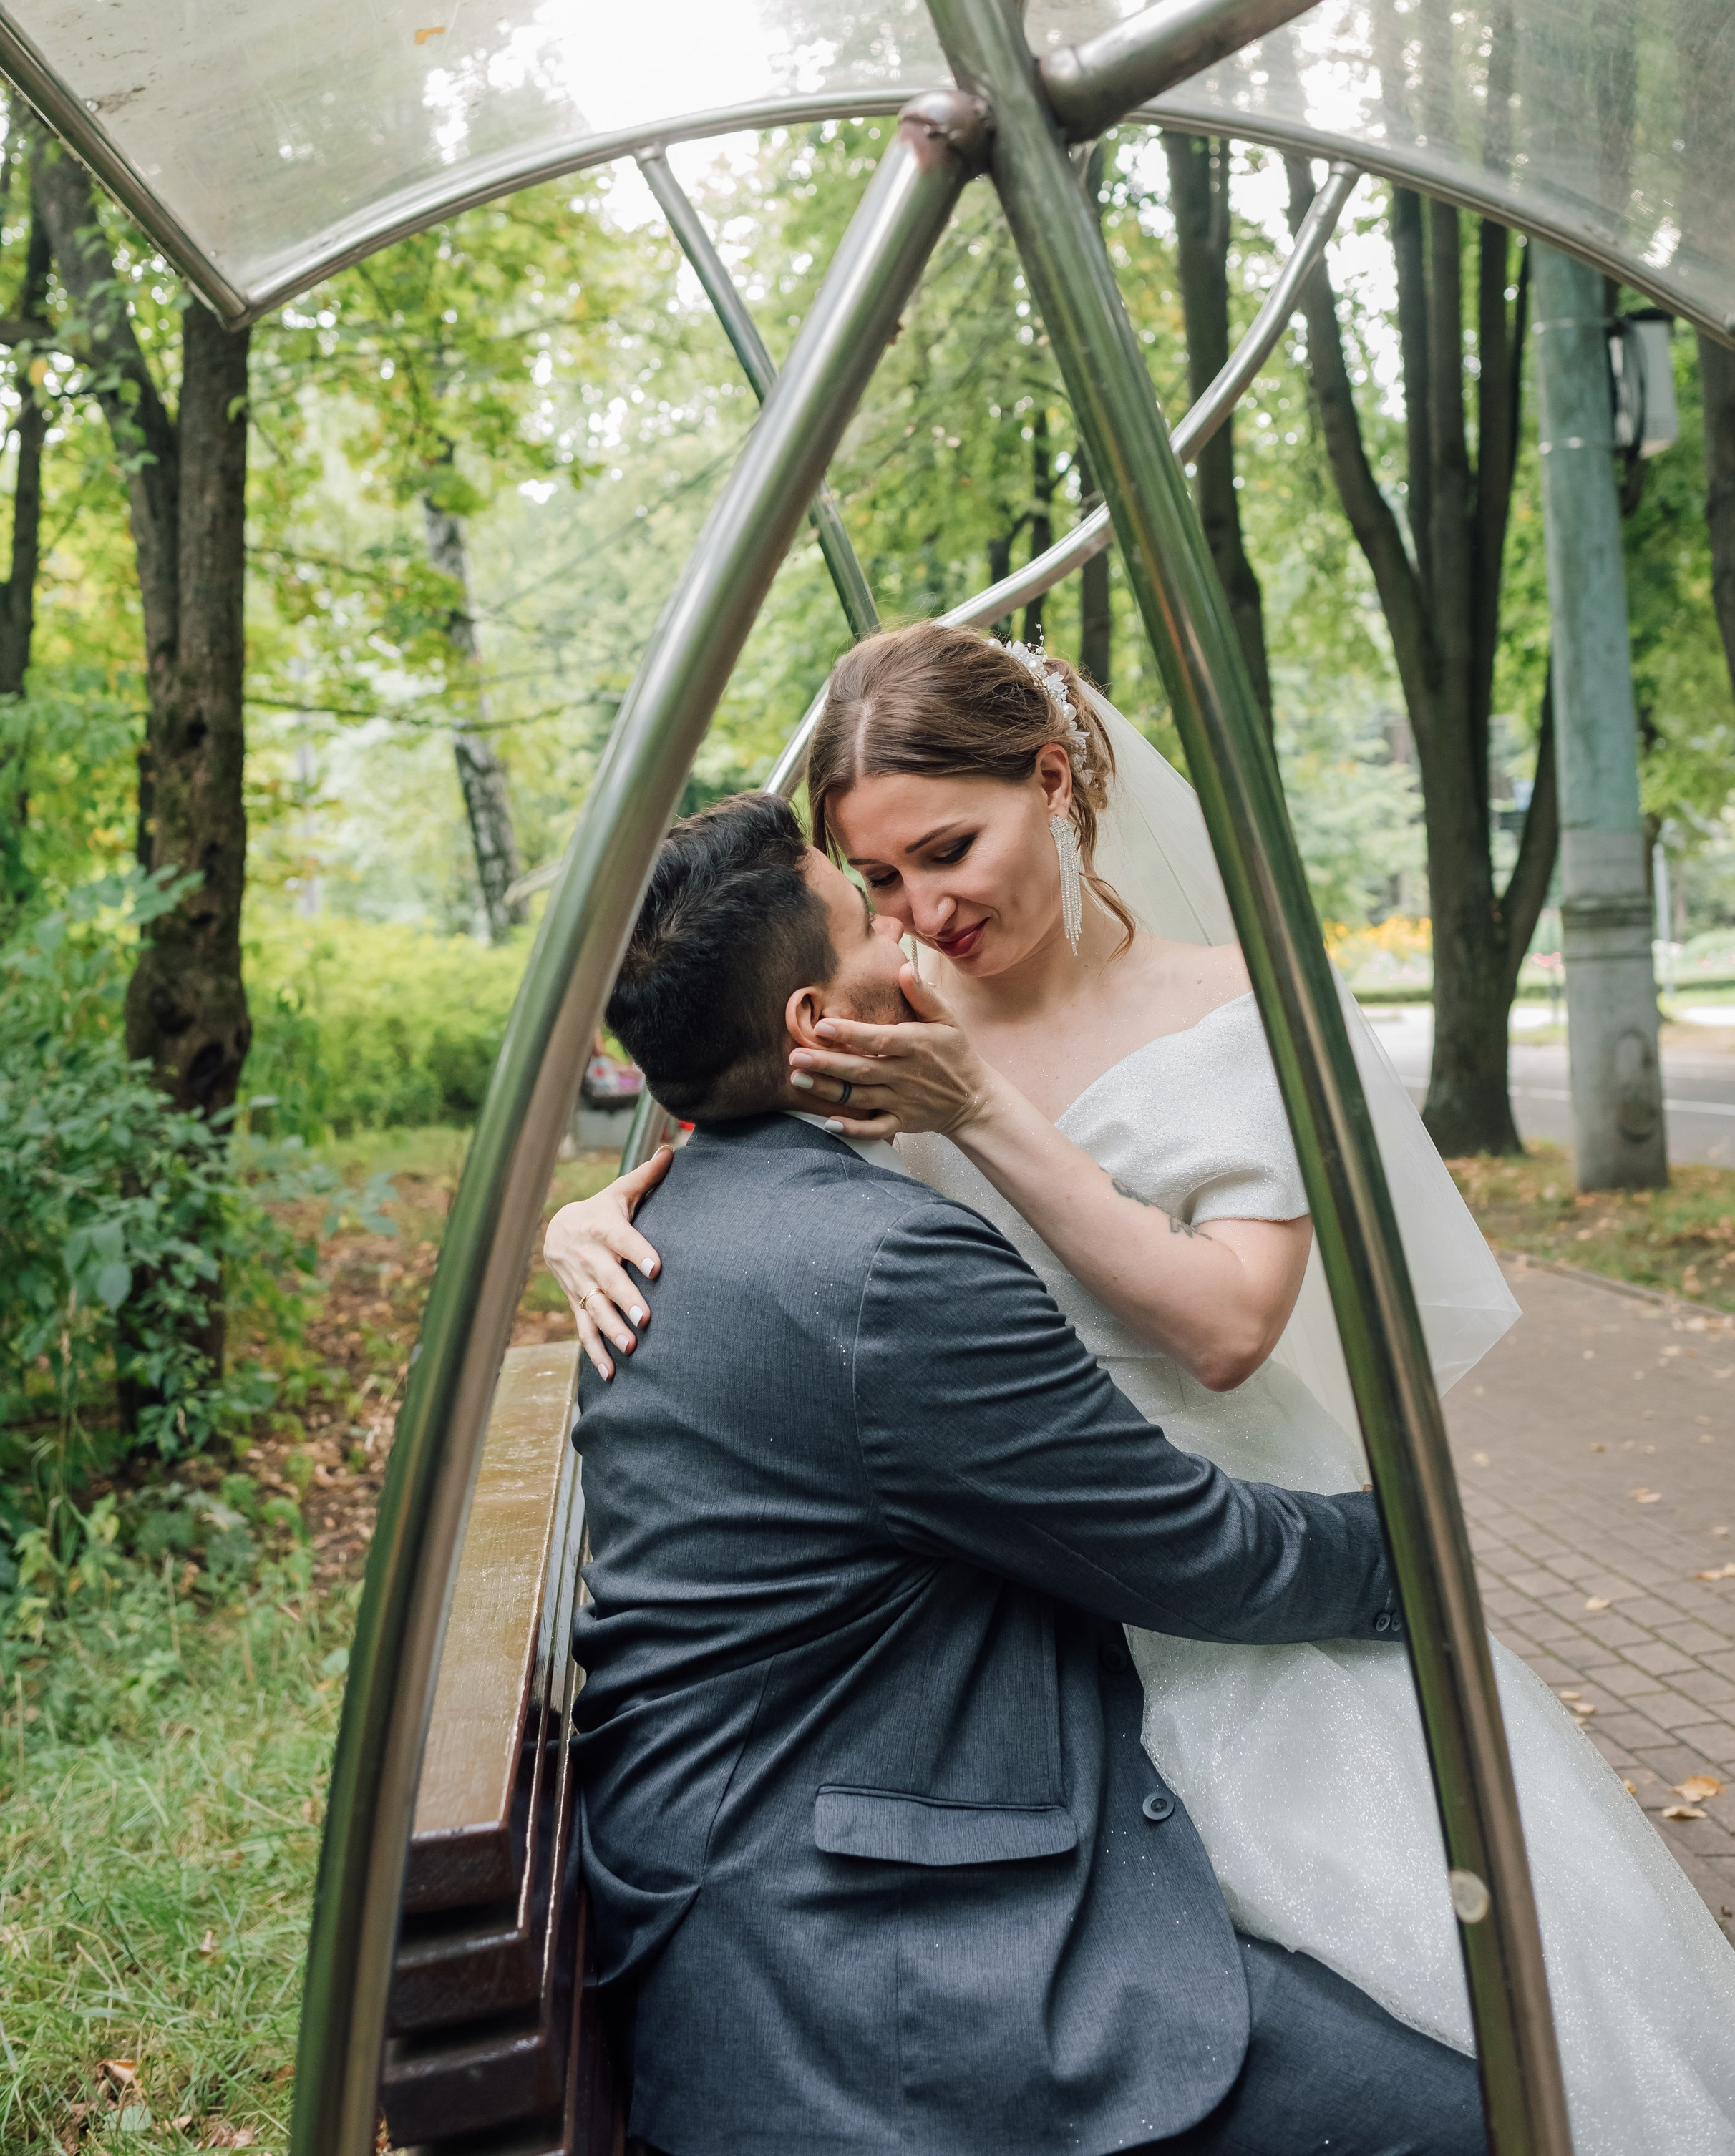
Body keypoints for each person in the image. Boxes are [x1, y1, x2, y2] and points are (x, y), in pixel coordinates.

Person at [551, 625, 1735, 2156]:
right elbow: (740, 1110)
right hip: (1033, 1557)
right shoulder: (889, 1005)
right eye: (878, 882)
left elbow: (1228, 1330)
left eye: (947, 852)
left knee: (1489, 1994)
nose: (918, 918)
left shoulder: (1231, 1007)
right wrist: (596, 1209)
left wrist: (982, 1112)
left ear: (1053, 775)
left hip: (1206, 1509)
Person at [568, 789, 1484, 2156]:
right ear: (814, 1026)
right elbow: (1196, 1553)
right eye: (868, 909)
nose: (910, 937)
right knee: (1474, 2118)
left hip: (757, 1860)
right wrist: (1418, 1556)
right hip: (873, 1976)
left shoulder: (673, 1218)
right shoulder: (882, 1268)